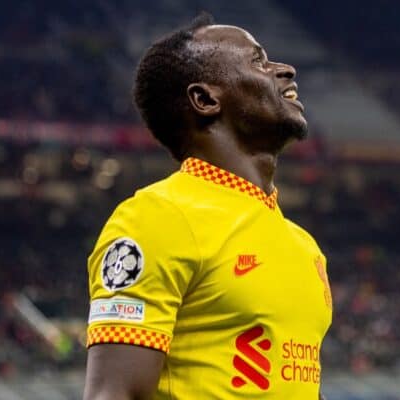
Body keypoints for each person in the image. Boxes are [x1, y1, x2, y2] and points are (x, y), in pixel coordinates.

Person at [83, 13, 332, 400]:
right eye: (258, 61)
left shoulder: (304, 246)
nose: (284, 70)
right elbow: (113, 394)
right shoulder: (156, 219)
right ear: (205, 99)